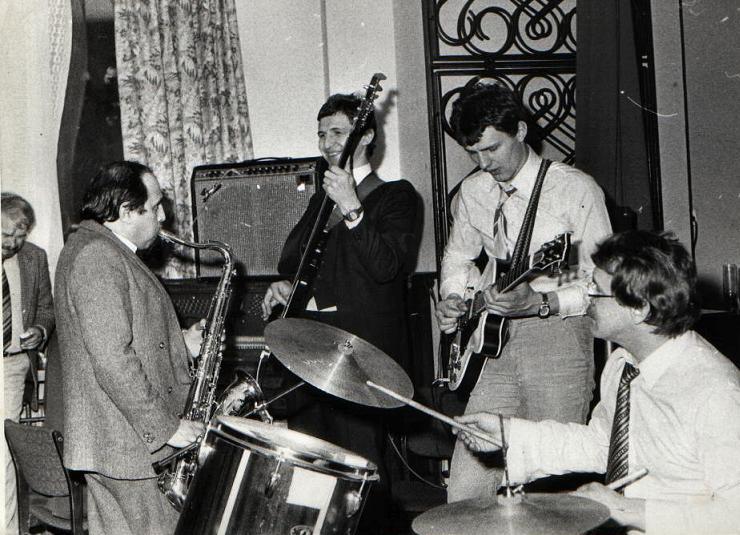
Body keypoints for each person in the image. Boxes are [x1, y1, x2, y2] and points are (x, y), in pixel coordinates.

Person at [455, 230, 740, 534]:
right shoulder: (624, 365)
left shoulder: (716, 392)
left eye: (596, 290)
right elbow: (602, 443)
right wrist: (508, 433)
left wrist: (626, 510)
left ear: (639, 308)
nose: (586, 297)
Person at [435, 80, 612, 502]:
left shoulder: (574, 190)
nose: (483, 163)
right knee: (466, 489)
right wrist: (453, 296)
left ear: (519, 130)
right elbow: (459, 255)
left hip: (558, 337)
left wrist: (542, 302)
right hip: (492, 346)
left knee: (549, 484)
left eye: (491, 149)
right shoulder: (475, 191)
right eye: (472, 153)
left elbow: (599, 281)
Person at [261, 93, 420, 533]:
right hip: (310, 357)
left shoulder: (395, 196)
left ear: (365, 136)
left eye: (337, 132)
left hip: (357, 362)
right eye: (321, 134)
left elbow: (386, 267)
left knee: (359, 483)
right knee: (310, 482)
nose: (327, 142)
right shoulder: (321, 200)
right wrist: (290, 286)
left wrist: (351, 205)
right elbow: (294, 260)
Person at [54, 161, 205, 535]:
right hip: (130, 446)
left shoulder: (98, 247)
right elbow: (112, 360)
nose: (163, 215)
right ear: (125, 212)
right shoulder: (98, 255)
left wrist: (180, 344)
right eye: (154, 207)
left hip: (120, 442)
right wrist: (166, 429)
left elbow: (118, 337)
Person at [2, 192, 55, 535]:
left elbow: (47, 309)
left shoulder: (35, 258)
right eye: (5, 234)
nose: (12, 243)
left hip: (10, 367)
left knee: (1, 457)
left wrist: (40, 329)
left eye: (19, 236)